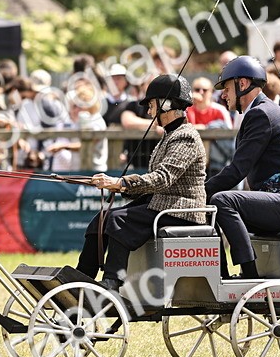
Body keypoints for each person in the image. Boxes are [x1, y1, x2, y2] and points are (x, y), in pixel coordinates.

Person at [77, 75, 207, 292]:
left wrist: (121, 183)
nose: (148, 111)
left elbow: (162, 178)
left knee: (118, 220)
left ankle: (112, 282)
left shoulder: (186, 137)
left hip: (182, 211)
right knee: (102, 219)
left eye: (151, 104)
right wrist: (118, 186)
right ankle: (81, 277)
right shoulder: (169, 136)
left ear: (166, 104)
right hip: (163, 205)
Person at [206, 56, 280, 279]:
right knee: (215, 203)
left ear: (243, 84)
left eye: (226, 88)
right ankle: (220, 276)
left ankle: (249, 275)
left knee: (222, 200)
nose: (223, 95)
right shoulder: (259, 112)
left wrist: (199, 191)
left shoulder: (261, 113)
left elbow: (238, 170)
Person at [186, 77, 234, 176]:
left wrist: (204, 128)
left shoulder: (220, 110)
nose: (201, 92)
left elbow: (229, 133)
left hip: (217, 163)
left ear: (211, 92)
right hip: (192, 163)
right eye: (197, 89)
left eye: (205, 90)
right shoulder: (187, 109)